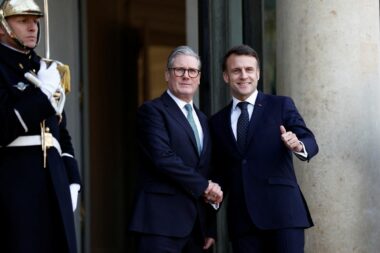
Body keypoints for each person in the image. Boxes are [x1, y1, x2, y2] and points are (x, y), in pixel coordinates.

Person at [209, 44, 319, 253]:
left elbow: (309, 139)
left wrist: (298, 145)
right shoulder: (216, 122)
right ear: (226, 76)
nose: (243, 76)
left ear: (258, 74)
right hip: (243, 222)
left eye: (249, 70)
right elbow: (220, 173)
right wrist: (208, 220)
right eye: (236, 70)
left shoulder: (280, 105)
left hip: (283, 215)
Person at [0, 0, 81, 252]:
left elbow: (60, 132)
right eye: (23, 21)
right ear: (2, 26)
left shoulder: (47, 68)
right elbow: (3, 127)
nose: (32, 27)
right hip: (16, 180)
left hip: (54, 179)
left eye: (35, 21)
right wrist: (42, 96)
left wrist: (72, 178)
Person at [129, 45, 223, 253]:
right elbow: (162, 158)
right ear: (167, 74)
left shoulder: (204, 121)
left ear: (199, 78)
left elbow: (208, 169)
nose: (186, 76)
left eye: (192, 71)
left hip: (196, 231)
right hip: (159, 225)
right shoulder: (152, 111)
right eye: (179, 70)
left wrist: (209, 227)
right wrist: (206, 186)